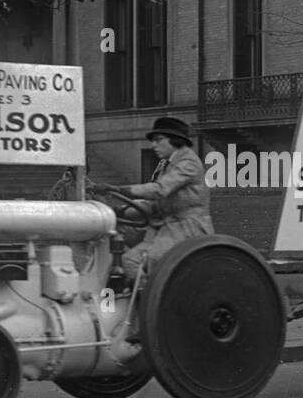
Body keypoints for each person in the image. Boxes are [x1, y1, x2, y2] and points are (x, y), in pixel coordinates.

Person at [89, 117, 213, 280]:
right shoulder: (167, 165)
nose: (153, 145)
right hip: (169, 229)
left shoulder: (188, 163)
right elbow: (154, 205)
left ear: (175, 140)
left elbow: (159, 190)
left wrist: (117, 189)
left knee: (140, 261)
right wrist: (118, 212)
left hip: (188, 230)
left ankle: (150, 301)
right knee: (126, 257)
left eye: (158, 140)